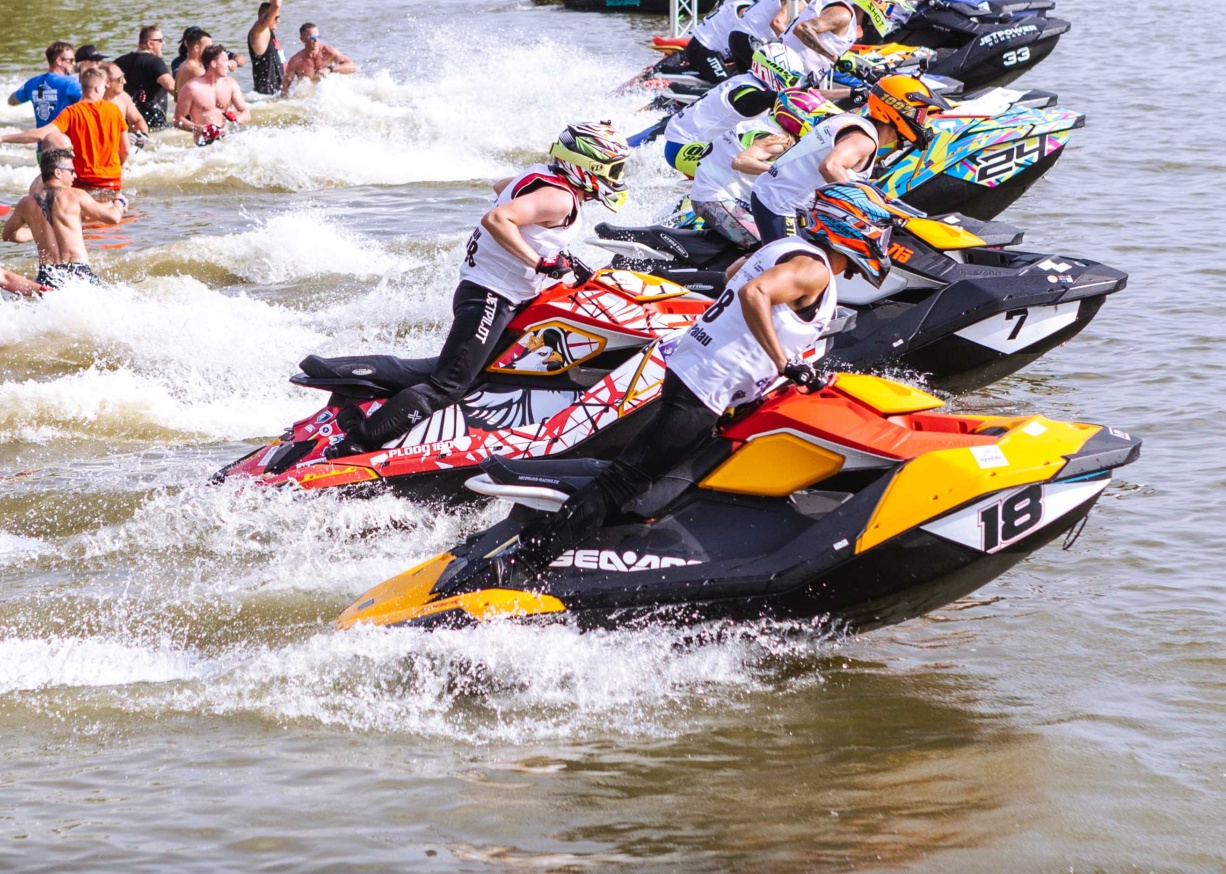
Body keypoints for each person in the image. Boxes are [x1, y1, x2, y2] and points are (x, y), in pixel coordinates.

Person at [515, 184, 890, 566]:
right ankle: (526, 560)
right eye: (880, 232)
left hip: (698, 369)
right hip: (706, 383)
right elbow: (754, 293)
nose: (883, 242)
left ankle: (611, 542)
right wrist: (783, 363)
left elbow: (733, 274)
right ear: (850, 226)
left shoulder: (785, 248)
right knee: (624, 481)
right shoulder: (813, 269)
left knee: (658, 471)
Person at [337, 123, 628, 453]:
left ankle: (348, 390)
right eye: (615, 168)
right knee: (447, 386)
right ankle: (354, 444)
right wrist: (541, 262)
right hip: (491, 295)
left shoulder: (545, 175)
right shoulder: (560, 199)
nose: (617, 177)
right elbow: (497, 219)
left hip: (490, 289)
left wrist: (550, 250)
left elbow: (502, 187)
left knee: (464, 369)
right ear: (590, 165)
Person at [660, 43, 805, 179]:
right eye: (793, 80)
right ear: (775, 72)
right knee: (752, 173)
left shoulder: (746, 80)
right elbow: (748, 103)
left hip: (687, 141)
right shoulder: (748, 92)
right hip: (683, 147)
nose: (795, 86)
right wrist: (783, 97)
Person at [0, 64, 138, 190]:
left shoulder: (71, 112)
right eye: (104, 86)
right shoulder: (114, 110)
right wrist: (116, 168)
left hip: (83, 184)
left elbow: (40, 135)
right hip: (113, 183)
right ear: (97, 88)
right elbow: (125, 149)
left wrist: (2, 138)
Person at [749, 90, 877, 241]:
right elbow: (831, 166)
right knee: (796, 260)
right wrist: (862, 210)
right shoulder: (864, 138)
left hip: (775, 196)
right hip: (779, 204)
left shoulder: (848, 119)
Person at [1, 147, 124, 287]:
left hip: (47, 275)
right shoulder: (76, 195)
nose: (75, 176)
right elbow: (113, 217)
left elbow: (9, 235)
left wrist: (37, 231)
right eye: (71, 171)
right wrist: (119, 202)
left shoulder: (26, 203)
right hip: (78, 272)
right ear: (58, 172)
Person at [688, 122, 792, 246]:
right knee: (772, 246)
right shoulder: (779, 141)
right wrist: (778, 173)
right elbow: (740, 161)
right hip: (716, 200)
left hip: (710, 191)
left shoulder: (766, 123)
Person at [173, 46, 250, 145]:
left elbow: (246, 113)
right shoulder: (191, 88)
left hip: (226, 141)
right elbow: (177, 119)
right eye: (226, 61)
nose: (229, 64)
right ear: (213, 64)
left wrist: (236, 119)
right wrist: (200, 129)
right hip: (204, 145)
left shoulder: (231, 83)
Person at [111, 25, 175, 131]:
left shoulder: (119, 62)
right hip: (155, 125)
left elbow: (113, 85)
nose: (163, 43)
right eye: (160, 40)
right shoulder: (155, 63)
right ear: (150, 43)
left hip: (129, 125)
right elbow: (171, 87)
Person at [10, 41, 84, 128]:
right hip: (63, 139)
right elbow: (91, 105)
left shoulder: (32, 83)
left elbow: (12, 101)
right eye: (71, 60)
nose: (74, 64)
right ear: (59, 61)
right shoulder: (70, 83)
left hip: (42, 139)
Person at [245, 0, 289, 95]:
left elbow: (272, 3)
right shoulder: (257, 33)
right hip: (267, 97)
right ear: (266, 18)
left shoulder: (267, 30)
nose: (278, 20)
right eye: (275, 17)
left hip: (277, 95)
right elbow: (275, 6)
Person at [279, 22, 358, 95]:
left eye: (318, 36)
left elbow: (353, 67)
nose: (316, 40)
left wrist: (330, 69)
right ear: (302, 39)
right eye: (312, 37)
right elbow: (285, 87)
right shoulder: (296, 61)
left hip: (328, 93)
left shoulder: (327, 51)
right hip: (308, 97)